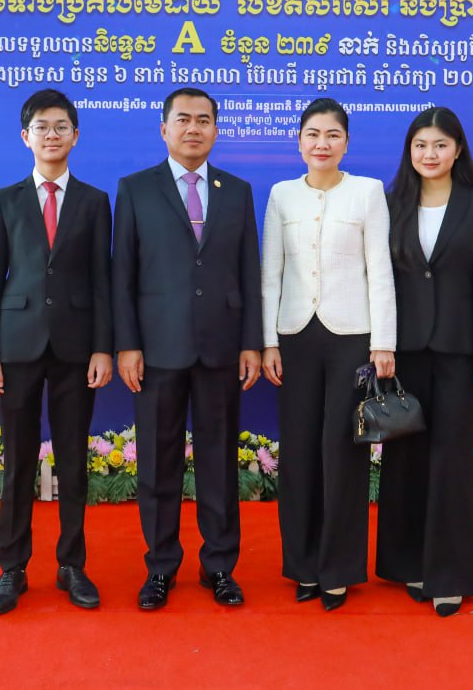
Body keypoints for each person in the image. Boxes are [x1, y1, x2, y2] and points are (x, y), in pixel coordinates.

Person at [112, 86, 263, 610]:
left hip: (222, 347)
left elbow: (249, 271)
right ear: (164, 129)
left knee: (220, 463)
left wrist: (251, 342)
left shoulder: (237, 191)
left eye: (203, 120)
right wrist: (127, 344)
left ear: (216, 129)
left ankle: (219, 566)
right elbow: (122, 274)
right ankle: (160, 567)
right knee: (158, 463)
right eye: (183, 119)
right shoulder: (135, 189)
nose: (193, 128)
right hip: (157, 350)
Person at [0, 88, 113, 616]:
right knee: (18, 461)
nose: (51, 135)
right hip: (17, 346)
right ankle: (12, 567)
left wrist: (103, 347)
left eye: (61, 127)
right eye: (41, 127)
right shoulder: (5, 200)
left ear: (75, 136)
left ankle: (72, 564)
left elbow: (102, 281)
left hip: (77, 348)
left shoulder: (94, 201)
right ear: (25, 136)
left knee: (74, 460)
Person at [260, 98, 396, 612]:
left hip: (352, 338)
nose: (322, 143)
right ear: (299, 142)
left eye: (333, 135)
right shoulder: (281, 195)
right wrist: (269, 342)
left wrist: (384, 341)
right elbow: (269, 274)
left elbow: (379, 270)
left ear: (346, 143)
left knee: (343, 452)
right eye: (313, 134)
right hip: (294, 336)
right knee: (298, 452)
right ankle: (303, 566)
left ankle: (337, 569)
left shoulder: (368, 192)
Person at [375, 106, 473, 617]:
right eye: (420, 145)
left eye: (440, 145)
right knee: (404, 458)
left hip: (458, 352)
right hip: (402, 352)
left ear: (458, 150)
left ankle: (449, 574)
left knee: (450, 459)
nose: (429, 154)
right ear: (409, 151)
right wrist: (379, 344)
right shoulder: (390, 204)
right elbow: (379, 280)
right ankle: (409, 563)